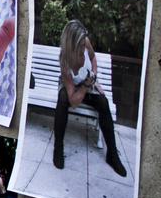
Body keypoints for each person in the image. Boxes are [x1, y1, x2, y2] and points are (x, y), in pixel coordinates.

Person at [54, 19, 126, 176]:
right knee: (63, 98)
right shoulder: (64, 61)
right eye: (79, 46)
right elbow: (74, 102)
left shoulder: (85, 41)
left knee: (102, 100)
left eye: (83, 44)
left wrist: (94, 77)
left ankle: (112, 155)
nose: (83, 48)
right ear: (70, 45)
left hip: (86, 81)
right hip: (72, 87)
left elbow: (93, 59)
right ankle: (58, 148)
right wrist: (86, 85)